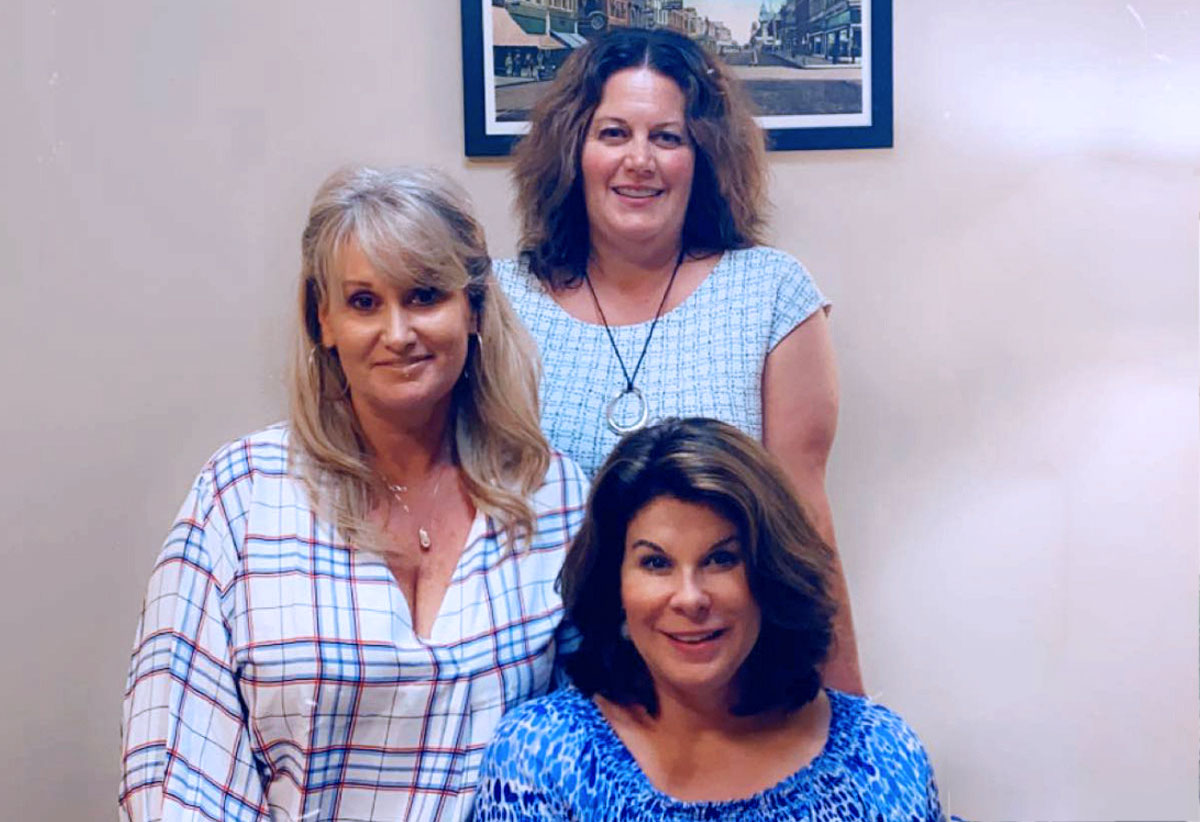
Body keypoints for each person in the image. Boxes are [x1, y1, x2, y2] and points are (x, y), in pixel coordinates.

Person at [119, 167, 588, 821]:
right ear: (324, 321)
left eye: (425, 296)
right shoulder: (241, 497)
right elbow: (172, 776)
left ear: (474, 308)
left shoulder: (554, 496)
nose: (398, 333)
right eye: (364, 303)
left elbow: (600, 746)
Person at [495, 27, 863, 692]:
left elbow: (805, 528)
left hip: (724, 693)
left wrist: (847, 718)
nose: (640, 160)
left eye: (667, 137)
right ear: (573, 151)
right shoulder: (498, 302)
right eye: (614, 134)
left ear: (704, 158)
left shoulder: (771, 294)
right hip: (532, 692)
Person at [474, 418, 944, 821]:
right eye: (656, 563)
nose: (690, 598)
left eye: (721, 560)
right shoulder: (542, 757)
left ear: (769, 573)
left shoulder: (878, 754)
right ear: (613, 584)